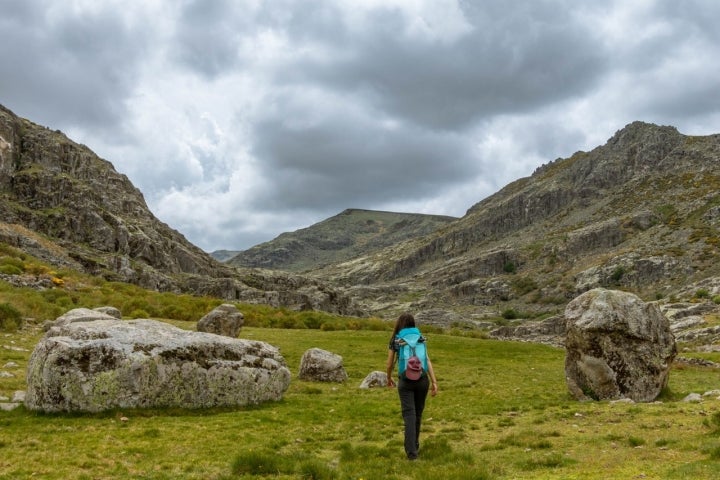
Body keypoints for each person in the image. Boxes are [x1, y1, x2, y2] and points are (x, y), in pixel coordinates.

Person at [386, 313, 438, 460]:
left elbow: (389, 363)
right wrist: (434, 381)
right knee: (418, 415)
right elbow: (427, 360)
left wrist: (388, 377)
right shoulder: (420, 337)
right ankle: (415, 445)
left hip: (405, 381)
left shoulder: (396, 339)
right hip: (422, 380)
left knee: (409, 415)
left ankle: (412, 454)